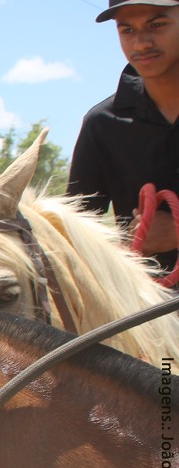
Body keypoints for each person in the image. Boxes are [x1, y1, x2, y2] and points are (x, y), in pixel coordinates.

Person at [68, 0, 179, 273]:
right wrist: (121, 249)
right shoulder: (100, 124)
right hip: (143, 299)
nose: (141, 44)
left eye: (157, 25)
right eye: (127, 30)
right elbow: (75, 241)